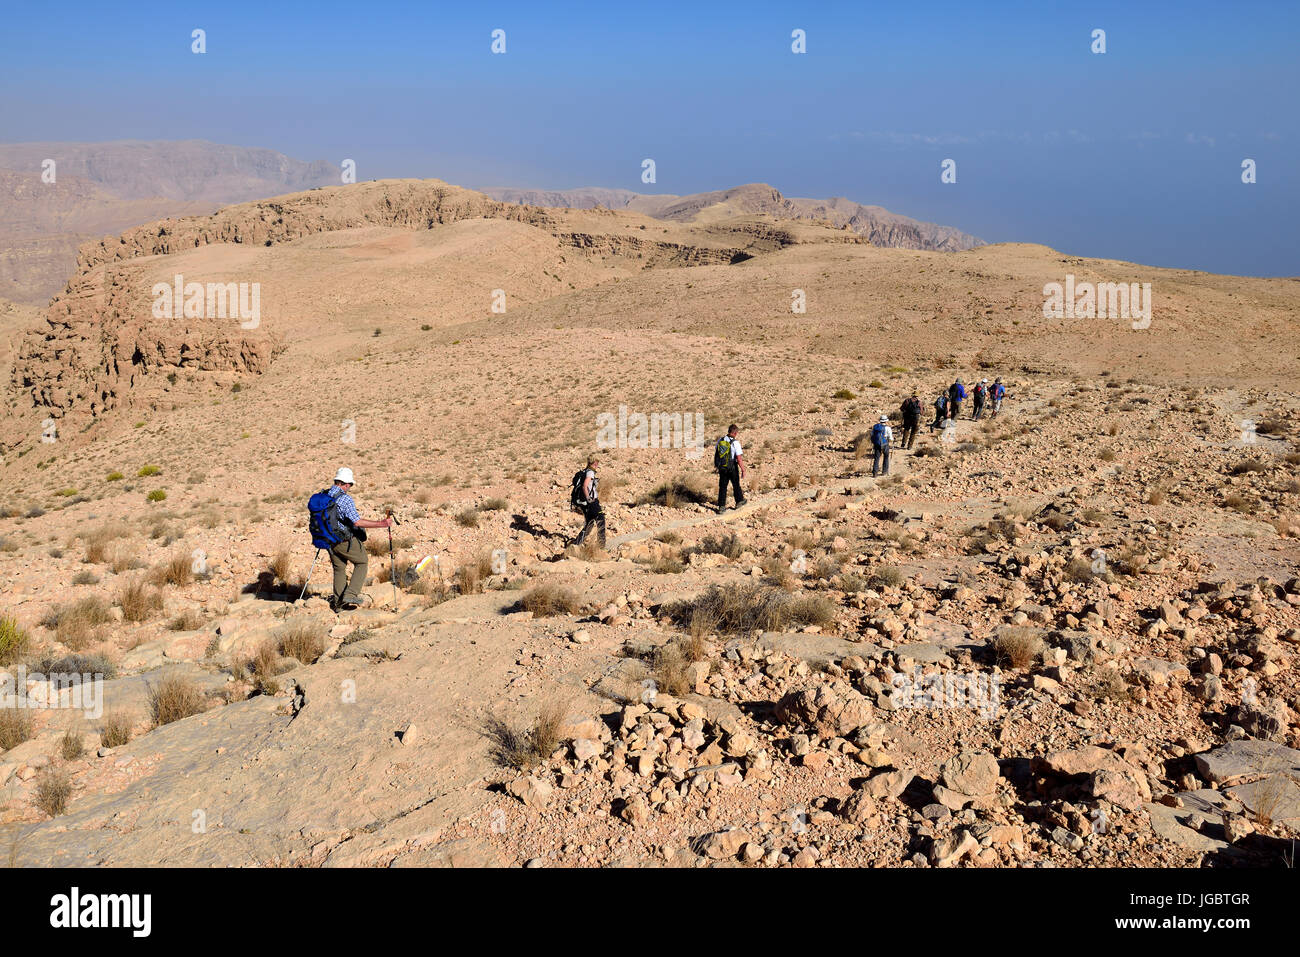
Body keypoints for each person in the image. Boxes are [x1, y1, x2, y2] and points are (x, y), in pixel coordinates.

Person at [323, 467, 391, 611]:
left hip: (328, 540)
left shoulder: (324, 495)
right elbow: (357, 522)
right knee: (362, 562)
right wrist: (381, 524)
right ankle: (351, 594)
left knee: (339, 569)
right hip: (343, 540)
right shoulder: (345, 499)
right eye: (350, 485)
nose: (350, 488)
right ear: (346, 484)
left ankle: (339, 604)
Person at [572, 454, 606, 548]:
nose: (597, 464)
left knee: (589, 523)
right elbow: (585, 486)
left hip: (588, 502)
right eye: (596, 463)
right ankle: (601, 546)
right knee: (601, 520)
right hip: (592, 502)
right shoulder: (590, 472)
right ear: (593, 462)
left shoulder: (586, 471)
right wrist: (589, 498)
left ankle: (577, 543)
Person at [714, 424, 746, 513]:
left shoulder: (720, 440)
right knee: (736, 484)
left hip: (722, 467)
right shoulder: (735, 443)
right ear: (735, 433)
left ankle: (721, 506)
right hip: (732, 466)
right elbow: (739, 458)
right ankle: (739, 501)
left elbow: (717, 452)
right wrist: (743, 469)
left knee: (723, 486)